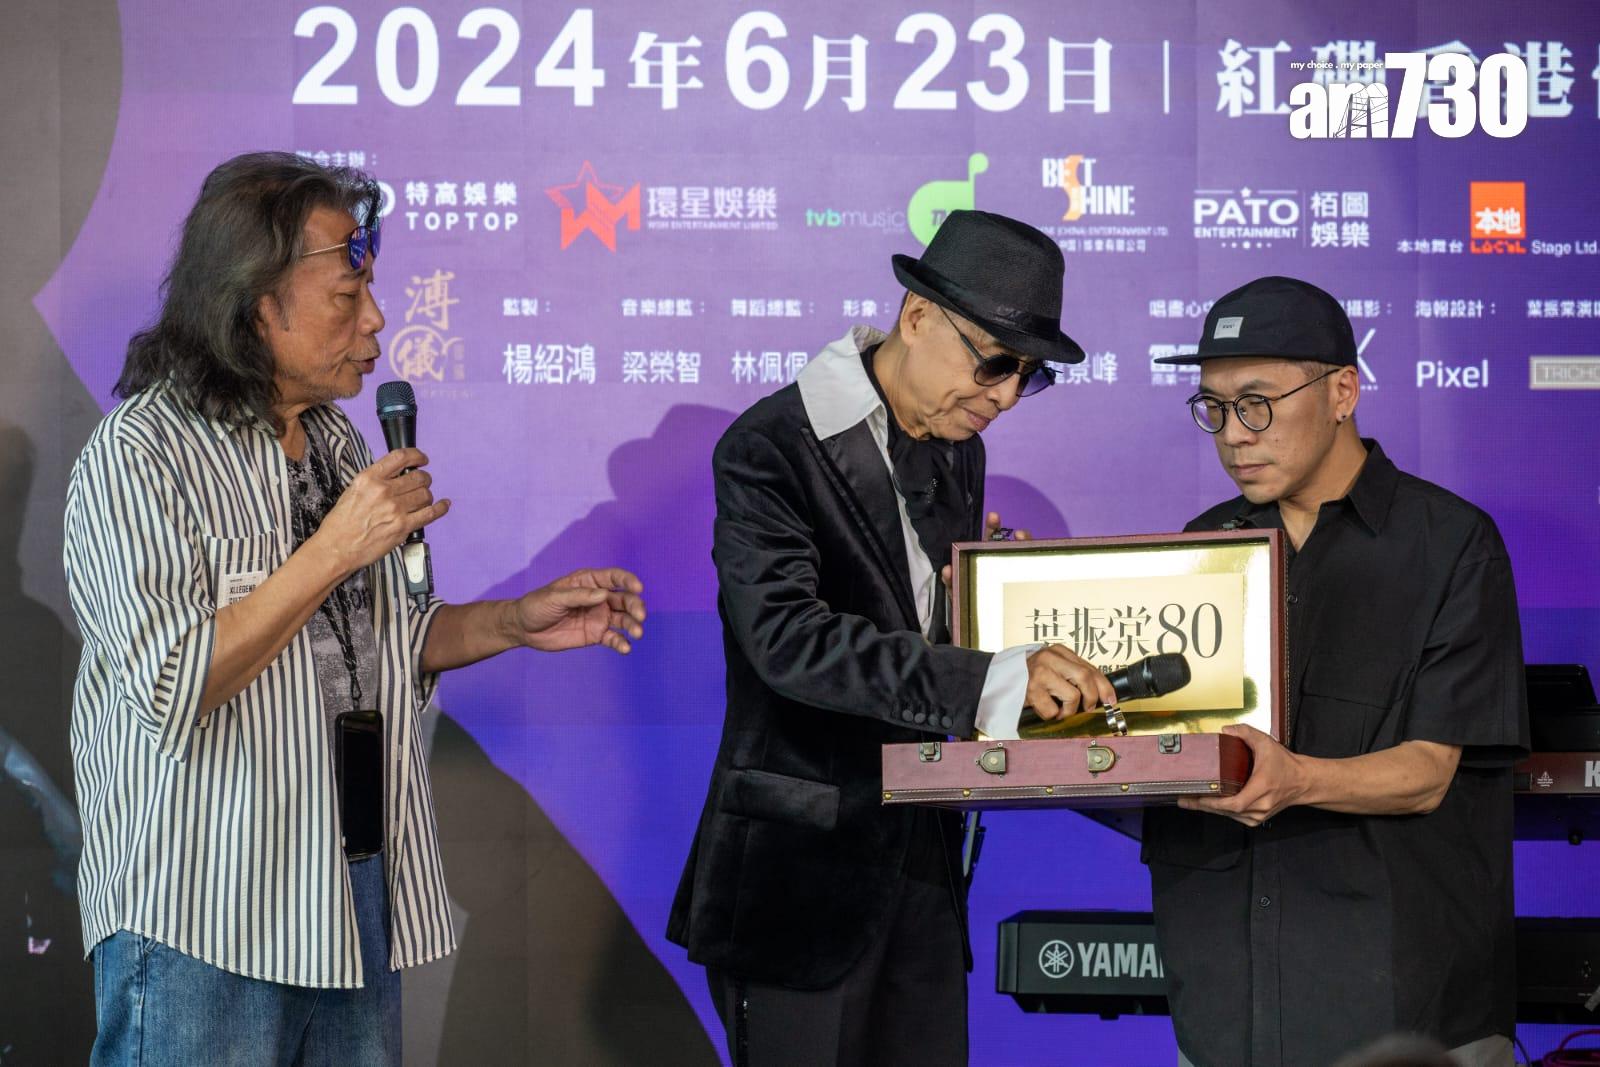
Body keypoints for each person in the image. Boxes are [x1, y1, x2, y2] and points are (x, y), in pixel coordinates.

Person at [63, 151, 646, 1065]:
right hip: (205, 913)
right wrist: (335, 545)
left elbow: (380, 643)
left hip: (347, 893)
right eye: (348, 293)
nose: (376, 319)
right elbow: (173, 682)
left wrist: (513, 621)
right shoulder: (139, 455)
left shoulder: (335, 440)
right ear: (258, 302)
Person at [667, 210, 1117, 1066]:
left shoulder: (958, 445)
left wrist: (984, 614)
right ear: (916, 318)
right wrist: (988, 678)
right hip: (800, 882)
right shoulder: (769, 447)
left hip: (923, 866)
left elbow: (920, 627)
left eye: (1028, 377)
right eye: (994, 363)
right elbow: (788, 640)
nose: (1005, 397)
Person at [1142, 276, 1529, 1067]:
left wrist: (1294, 779)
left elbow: (1428, 772)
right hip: (1223, 1011)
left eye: (1257, 403)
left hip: (1406, 1017)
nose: (1233, 435)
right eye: (1213, 407)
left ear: (1343, 392)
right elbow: (1168, 738)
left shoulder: (1452, 545)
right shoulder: (1200, 546)